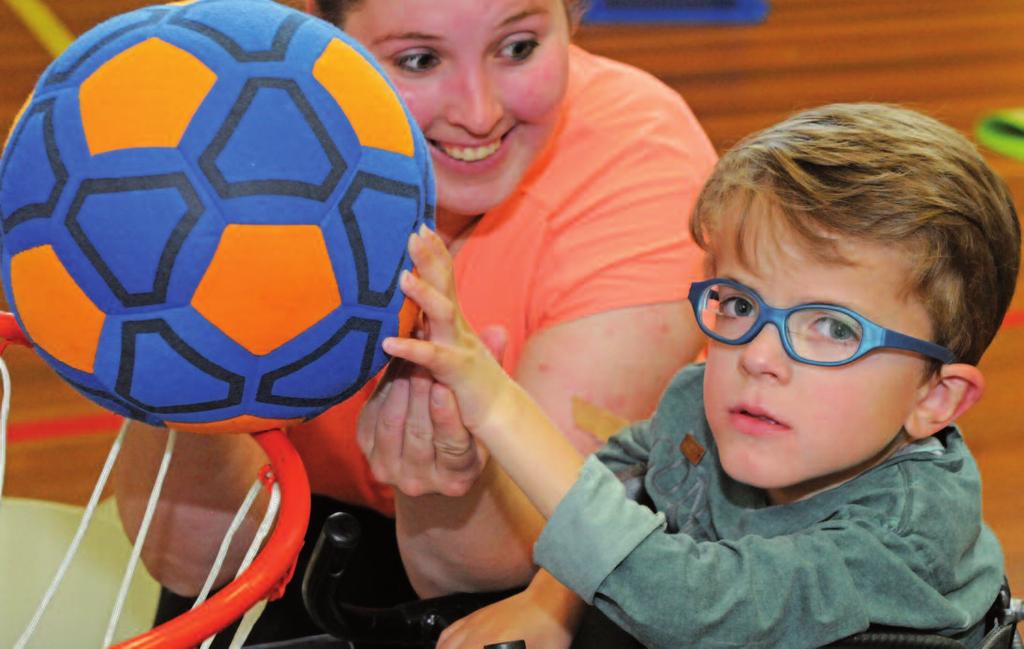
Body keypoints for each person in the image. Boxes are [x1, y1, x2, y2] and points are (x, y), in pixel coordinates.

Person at [112, 0, 717, 643]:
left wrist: (447, 483)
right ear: (325, 32)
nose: (478, 112)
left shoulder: (643, 166)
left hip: (559, 559)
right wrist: (186, 349)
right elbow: (191, 562)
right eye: (419, 59)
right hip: (315, 505)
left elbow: (520, 558)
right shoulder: (226, 142)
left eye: (517, 48)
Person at [384, 102, 1020, 648]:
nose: (760, 357)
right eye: (742, 305)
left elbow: (685, 605)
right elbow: (632, 465)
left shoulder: (902, 538)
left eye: (833, 328)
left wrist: (497, 403)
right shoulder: (716, 408)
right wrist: (553, 597)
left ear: (936, 398)